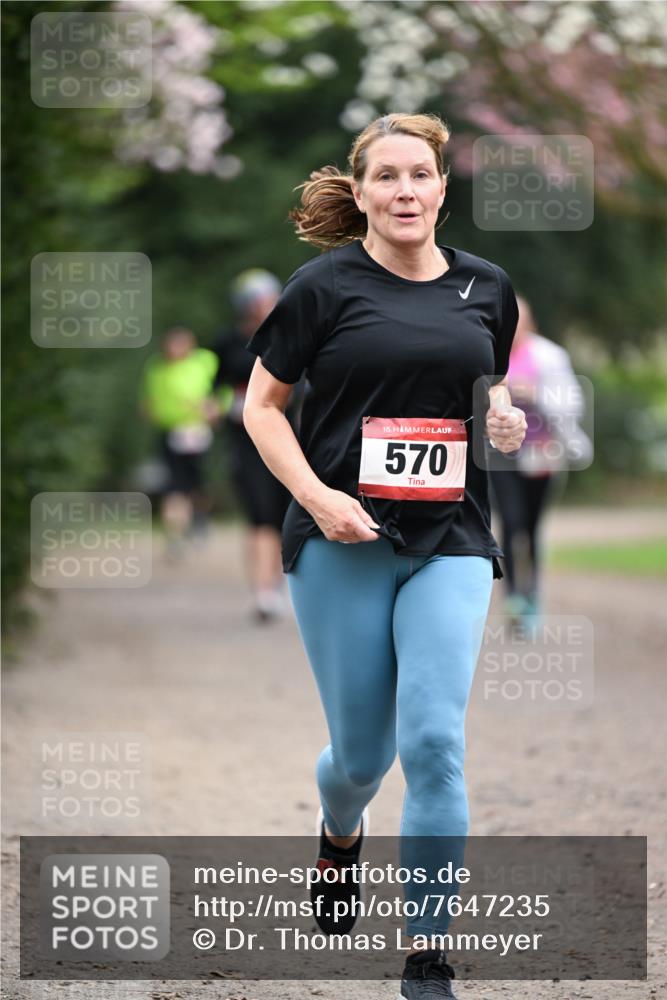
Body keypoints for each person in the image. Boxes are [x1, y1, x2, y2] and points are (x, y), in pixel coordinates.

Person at [242, 113, 526, 999]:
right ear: (359, 192)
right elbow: (261, 407)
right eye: (387, 177)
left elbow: (486, 389)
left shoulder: (486, 287)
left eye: (421, 176)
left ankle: (427, 954)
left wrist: (504, 420)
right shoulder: (322, 288)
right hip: (341, 541)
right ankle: (338, 834)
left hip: (452, 538)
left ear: (444, 188)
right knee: (361, 758)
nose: (406, 192)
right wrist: (320, 500)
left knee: (435, 741)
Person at [489, 296, 592, 625]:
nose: (515, 327)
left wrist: (536, 395)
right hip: (501, 453)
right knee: (510, 520)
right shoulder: (489, 352)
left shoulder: (550, 357)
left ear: (531, 324)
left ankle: (533, 594)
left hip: (542, 452)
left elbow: (573, 405)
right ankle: (514, 597)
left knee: (531, 527)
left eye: (521, 320)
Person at [213, 270, 298, 622]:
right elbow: (212, 385)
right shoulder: (229, 342)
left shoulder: (293, 335)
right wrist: (218, 405)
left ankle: (277, 586)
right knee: (261, 515)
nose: (266, 306)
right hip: (246, 441)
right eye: (259, 301)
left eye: (270, 299)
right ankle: (264, 593)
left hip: (290, 436)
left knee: (284, 516)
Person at [141, 326, 220, 559]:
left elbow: (221, 388)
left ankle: (199, 520)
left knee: (198, 484)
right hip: (171, 432)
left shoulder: (206, 362)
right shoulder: (157, 368)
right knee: (174, 486)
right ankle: (175, 536)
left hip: (199, 431)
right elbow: (149, 402)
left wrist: (216, 407)